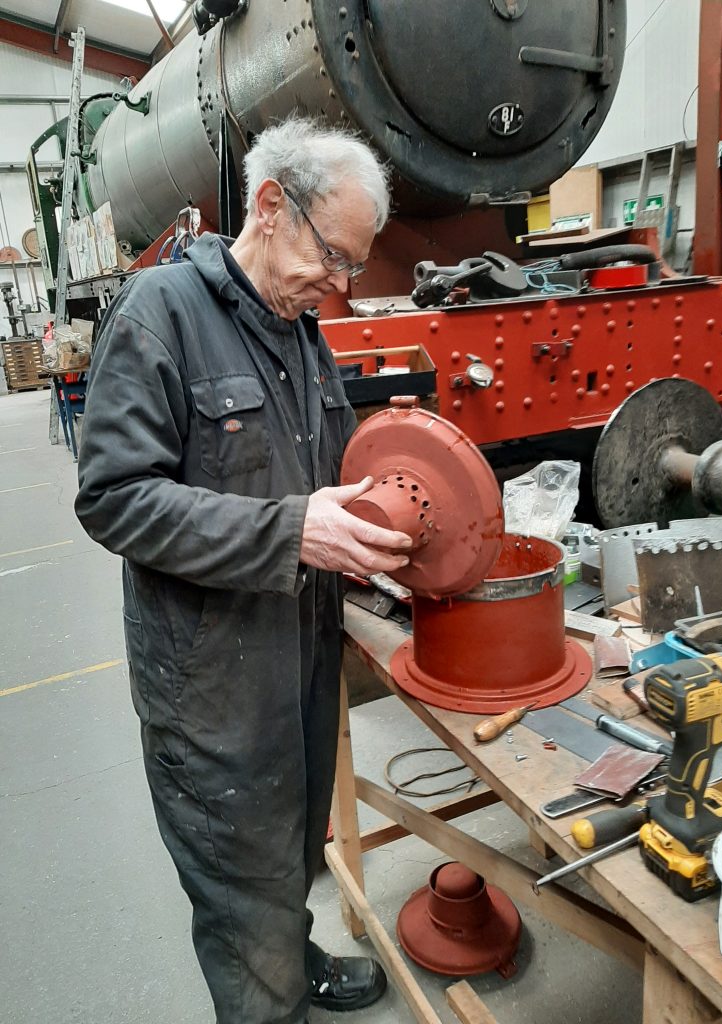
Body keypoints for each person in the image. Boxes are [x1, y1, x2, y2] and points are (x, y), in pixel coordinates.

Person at [75, 117, 412, 1024]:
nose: (338, 288)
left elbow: (324, 472)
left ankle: (289, 960)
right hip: (210, 690)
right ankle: (273, 998)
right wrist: (293, 533)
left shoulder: (298, 329)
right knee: (241, 887)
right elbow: (112, 497)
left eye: (352, 269)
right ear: (271, 207)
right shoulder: (160, 318)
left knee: (292, 849)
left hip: (296, 663)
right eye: (333, 258)